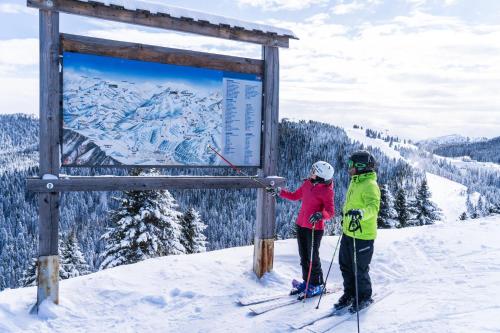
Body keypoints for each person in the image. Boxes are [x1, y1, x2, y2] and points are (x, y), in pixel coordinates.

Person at [266, 161, 335, 298]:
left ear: (321, 176)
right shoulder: (308, 183)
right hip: (302, 224)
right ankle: (307, 281)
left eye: (314, 171)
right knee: (303, 255)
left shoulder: (327, 191)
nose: (311, 173)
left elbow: (331, 212)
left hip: (315, 228)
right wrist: (280, 192)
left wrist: (320, 214)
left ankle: (318, 284)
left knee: (312, 257)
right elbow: (295, 195)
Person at [334, 150, 381, 313]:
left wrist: (361, 214)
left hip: (363, 235)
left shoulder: (370, 185)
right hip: (349, 232)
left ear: (361, 166)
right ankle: (350, 294)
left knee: (359, 269)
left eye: (351, 165)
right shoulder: (355, 181)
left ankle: (364, 296)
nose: (348, 168)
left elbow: (373, 208)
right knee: (345, 265)